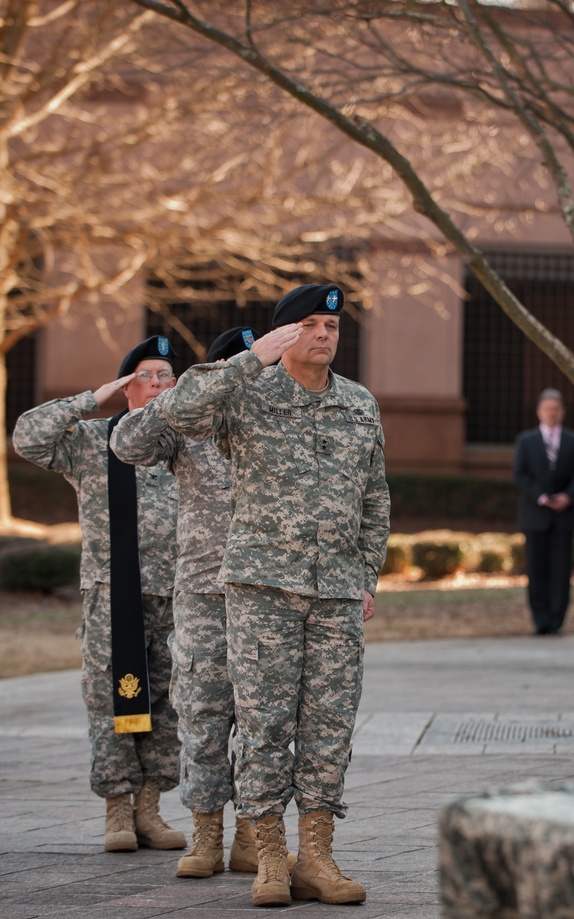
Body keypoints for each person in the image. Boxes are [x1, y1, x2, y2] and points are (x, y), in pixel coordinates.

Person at [155, 284, 389, 908]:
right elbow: (178, 410)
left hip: (336, 593)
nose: (323, 335)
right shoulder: (246, 394)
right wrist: (249, 358)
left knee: (329, 727)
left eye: (331, 326)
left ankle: (317, 857)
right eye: (309, 324)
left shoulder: (360, 405)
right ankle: (268, 861)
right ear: (282, 334)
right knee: (263, 726)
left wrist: (366, 572)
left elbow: (375, 496)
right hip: (262, 589)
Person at [12, 335, 185, 853]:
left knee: (170, 704)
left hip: (179, 600)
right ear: (127, 385)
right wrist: (93, 397)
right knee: (114, 697)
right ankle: (117, 812)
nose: (156, 385)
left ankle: (150, 810)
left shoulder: (189, 444)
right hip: (114, 598)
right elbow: (28, 438)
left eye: (166, 376)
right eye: (145, 375)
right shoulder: (92, 441)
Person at [110, 327, 271, 879]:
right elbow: (127, 442)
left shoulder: (277, 423)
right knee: (201, 715)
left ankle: (253, 836)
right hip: (202, 591)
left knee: (261, 720)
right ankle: (205, 836)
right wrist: (180, 395)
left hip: (265, 592)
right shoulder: (186, 426)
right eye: (235, 368)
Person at [513, 388, 574, 636]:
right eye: (547, 408)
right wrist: (542, 497)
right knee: (536, 570)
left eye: (556, 409)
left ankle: (557, 620)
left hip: (565, 517)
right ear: (539, 412)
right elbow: (520, 474)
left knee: (561, 571)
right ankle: (540, 620)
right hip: (535, 517)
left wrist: (567, 496)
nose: (552, 413)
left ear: (563, 412)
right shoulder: (526, 441)